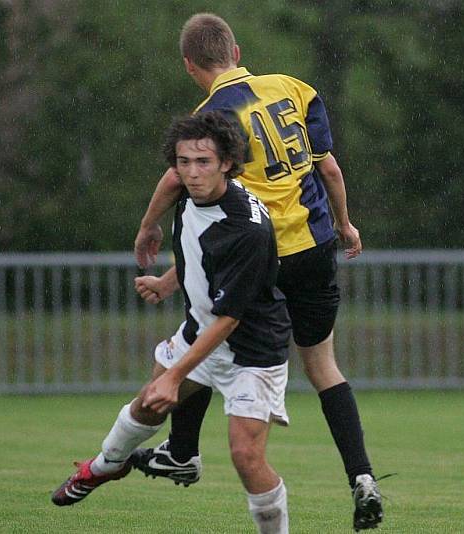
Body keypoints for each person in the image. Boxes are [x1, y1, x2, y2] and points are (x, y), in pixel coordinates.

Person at [131, 12, 383, 531]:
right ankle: (361, 477)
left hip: (262, 253)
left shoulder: (212, 115)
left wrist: (147, 229)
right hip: (312, 249)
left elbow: (180, 184)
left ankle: (181, 451)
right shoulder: (295, 87)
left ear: (188, 65)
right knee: (324, 369)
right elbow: (328, 167)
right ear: (237, 52)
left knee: (204, 337)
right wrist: (345, 223)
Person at [53, 112, 292, 534]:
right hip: (201, 333)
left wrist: (174, 376)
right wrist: (165, 274)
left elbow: (230, 317)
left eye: (203, 162)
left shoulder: (246, 229)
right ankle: (105, 465)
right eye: (184, 162)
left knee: (246, 457)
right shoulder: (186, 189)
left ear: (227, 163)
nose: (192, 172)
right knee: (146, 405)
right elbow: (197, 246)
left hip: (251, 350)